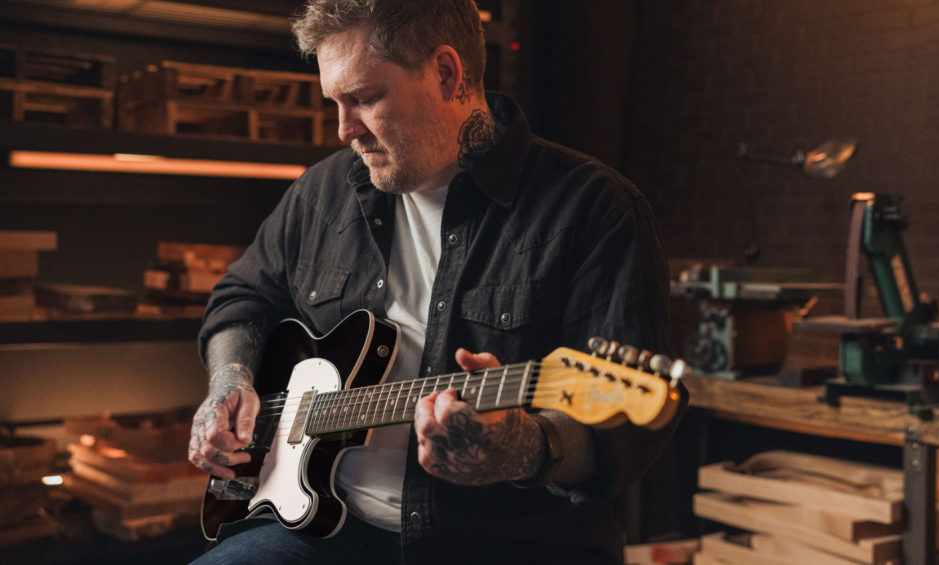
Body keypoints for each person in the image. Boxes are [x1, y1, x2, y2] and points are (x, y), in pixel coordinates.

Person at [187, 1, 684, 563]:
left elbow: (624, 429)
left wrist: (527, 449)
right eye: (336, 103)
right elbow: (242, 296)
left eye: (365, 98)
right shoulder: (323, 193)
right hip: (319, 527)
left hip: (503, 546)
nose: (345, 129)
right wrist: (229, 383)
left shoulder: (595, 208)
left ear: (446, 74)